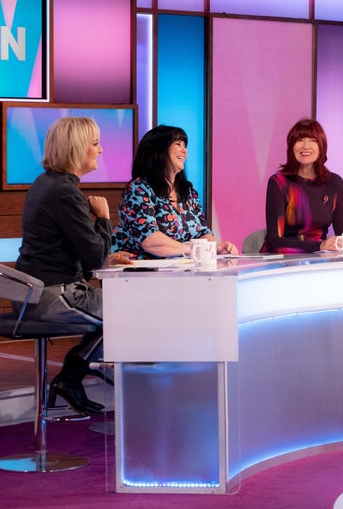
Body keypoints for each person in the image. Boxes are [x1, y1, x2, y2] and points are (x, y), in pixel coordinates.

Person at [15, 117, 134, 414]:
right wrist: (105, 218)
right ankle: (73, 376)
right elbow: (93, 258)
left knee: (127, 306)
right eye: (95, 144)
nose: (101, 150)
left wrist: (106, 257)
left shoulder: (47, 184)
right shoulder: (66, 193)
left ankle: (75, 375)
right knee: (132, 310)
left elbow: (71, 251)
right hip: (52, 296)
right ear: (77, 148)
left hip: (37, 292)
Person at [112, 125, 237, 258]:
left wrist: (214, 249)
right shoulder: (139, 189)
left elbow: (202, 232)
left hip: (180, 270)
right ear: (159, 150)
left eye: (185, 146)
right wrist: (191, 249)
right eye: (178, 144)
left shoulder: (188, 191)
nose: (185, 151)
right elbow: (150, 241)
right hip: (138, 271)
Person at [261, 118, 343, 253]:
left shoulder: (334, 183)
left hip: (319, 260)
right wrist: (320, 246)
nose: (306, 146)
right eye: (300, 140)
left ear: (322, 146)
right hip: (282, 261)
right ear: (291, 147)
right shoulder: (278, 183)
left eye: (312, 140)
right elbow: (274, 241)